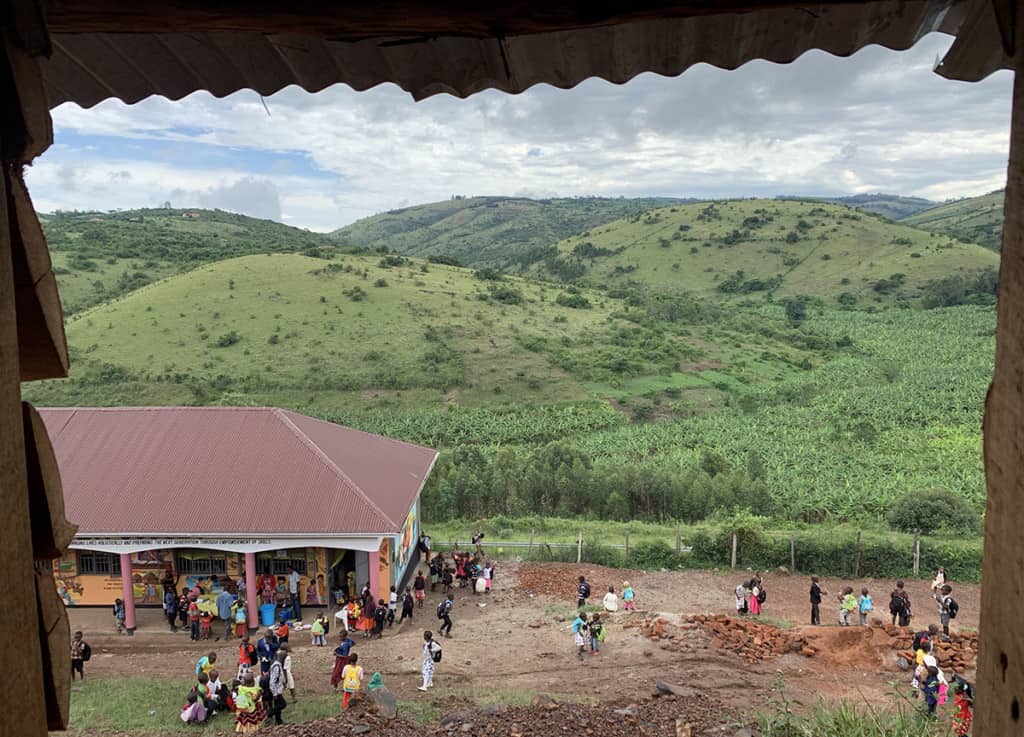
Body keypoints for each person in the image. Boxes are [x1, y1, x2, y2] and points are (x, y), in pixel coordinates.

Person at [267, 651, 288, 724]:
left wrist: (283, 683)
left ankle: (278, 721)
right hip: (276, 690)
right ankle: (269, 714)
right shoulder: (277, 667)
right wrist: (274, 693)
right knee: (282, 704)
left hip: (278, 689)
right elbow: (272, 681)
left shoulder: (278, 665)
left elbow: (280, 677)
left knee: (278, 706)